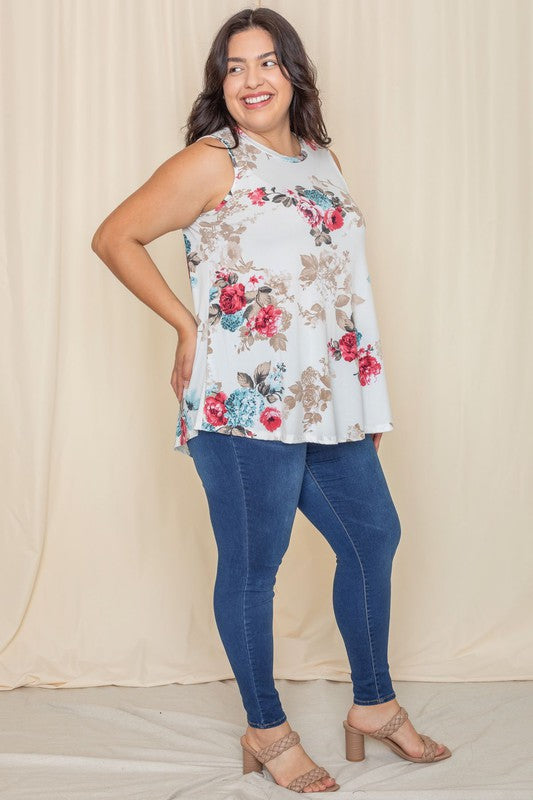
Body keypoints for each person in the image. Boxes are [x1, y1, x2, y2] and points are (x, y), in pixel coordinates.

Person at [91, 6, 451, 794]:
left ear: (293, 71)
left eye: (266, 63)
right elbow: (114, 235)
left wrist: (363, 401)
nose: (251, 80)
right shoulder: (213, 160)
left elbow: (344, 291)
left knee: (373, 537)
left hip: (326, 404)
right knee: (255, 568)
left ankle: (372, 705)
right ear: (220, 83)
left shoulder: (322, 159)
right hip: (241, 404)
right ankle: (264, 725)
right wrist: (186, 325)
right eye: (233, 66)